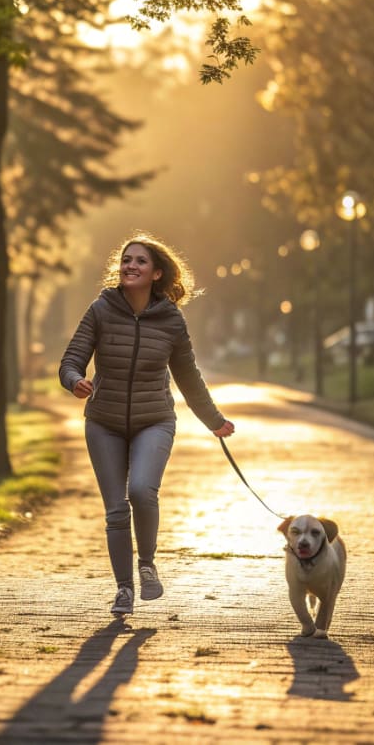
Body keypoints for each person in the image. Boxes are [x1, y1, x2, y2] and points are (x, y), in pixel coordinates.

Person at [59, 232, 235, 618]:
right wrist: (75, 380)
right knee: (116, 510)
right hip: (103, 421)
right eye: (126, 260)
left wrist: (214, 421)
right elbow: (71, 359)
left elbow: (188, 375)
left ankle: (147, 565)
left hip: (153, 420)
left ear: (156, 273)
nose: (130, 266)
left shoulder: (171, 319)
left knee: (141, 489)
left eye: (139, 261)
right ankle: (124, 590)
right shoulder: (101, 309)